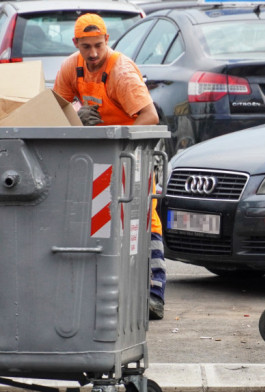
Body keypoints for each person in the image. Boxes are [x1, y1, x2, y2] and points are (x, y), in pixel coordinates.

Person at [54, 13, 167, 320]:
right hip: (101, 154)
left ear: (107, 42)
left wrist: (118, 143)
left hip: (132, 152)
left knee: (143, 217)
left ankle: (155, 294)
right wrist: (78, 118)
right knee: (101, 222)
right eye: (86, 47)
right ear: (76, 43)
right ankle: (106, 293)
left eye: (98, 46)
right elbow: (56, 111)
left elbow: (150, 117)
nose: (93, 54)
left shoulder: (121, 72)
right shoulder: (71, 68)